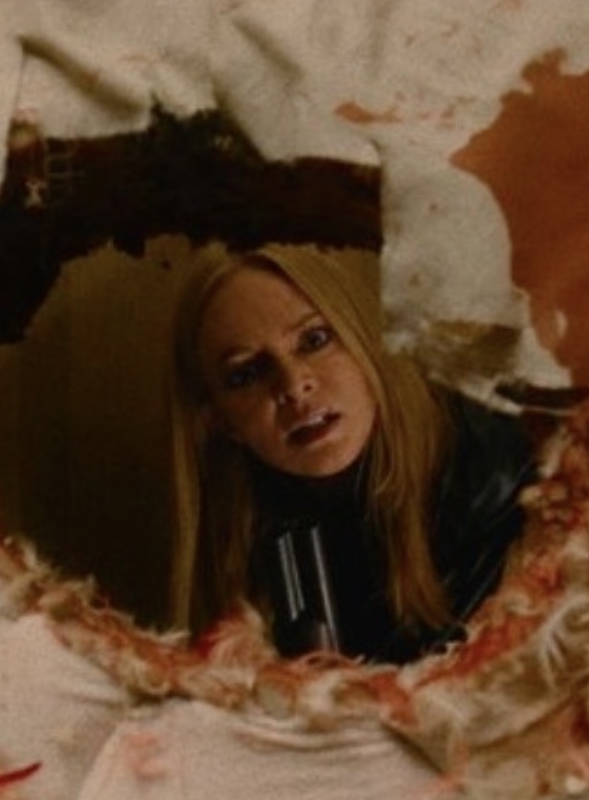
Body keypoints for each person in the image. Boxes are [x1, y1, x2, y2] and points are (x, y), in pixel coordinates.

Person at [167, 244, 536, 664]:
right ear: (218, 419)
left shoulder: (494, 479)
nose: (293, 385)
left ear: (364, 341)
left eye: (314, 340)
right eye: (247, 373)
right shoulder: (251, 540)